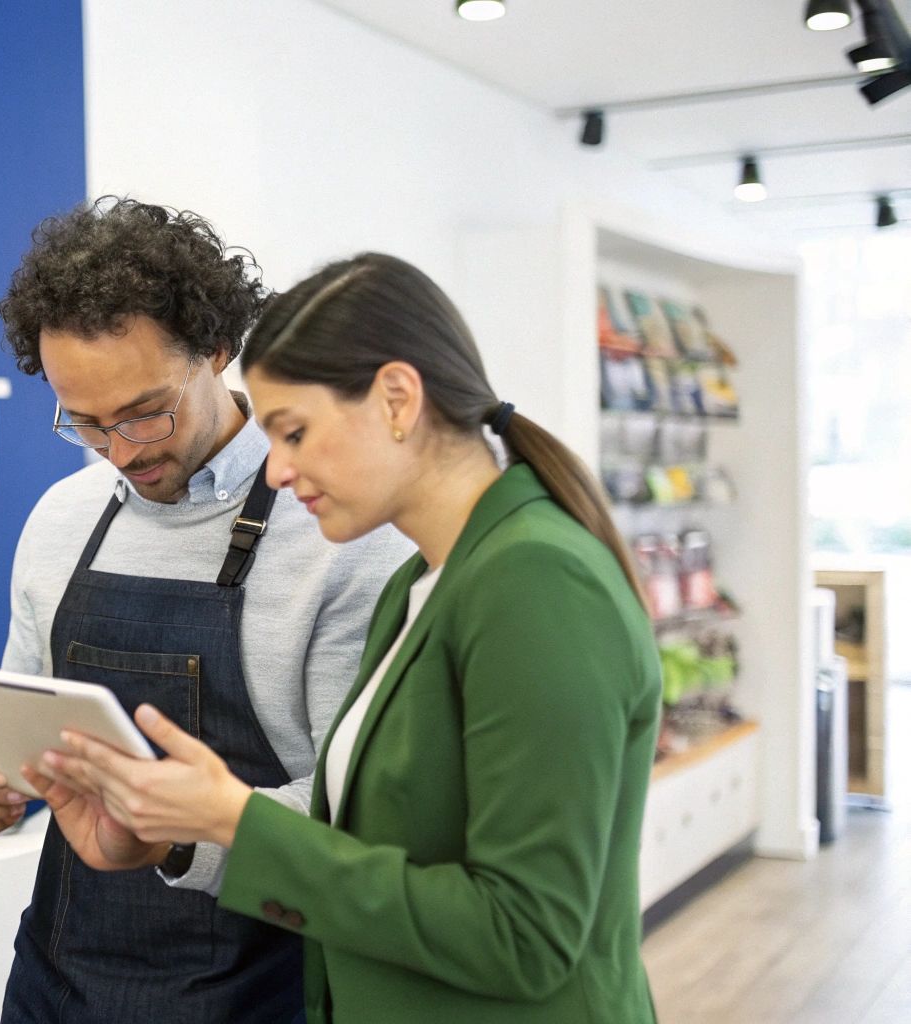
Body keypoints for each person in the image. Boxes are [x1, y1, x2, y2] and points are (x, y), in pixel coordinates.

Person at [40, 252, 662, 1022]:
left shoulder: (536, 580)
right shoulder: (424, 584)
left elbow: (525, 935)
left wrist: (234, 816)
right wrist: (186, 833)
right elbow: (380, 848)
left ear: (398, 399)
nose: (276, 471)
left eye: (294, 432)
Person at [0, 199, 409, 1023]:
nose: (124, 452)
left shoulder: (340, 534)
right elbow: (31, 741)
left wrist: (178, 829)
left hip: (262, 986)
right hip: (60, 980)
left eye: (147, 411)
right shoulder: (61, 520)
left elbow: (354, 816)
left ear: (216, 349)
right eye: (86, 424)